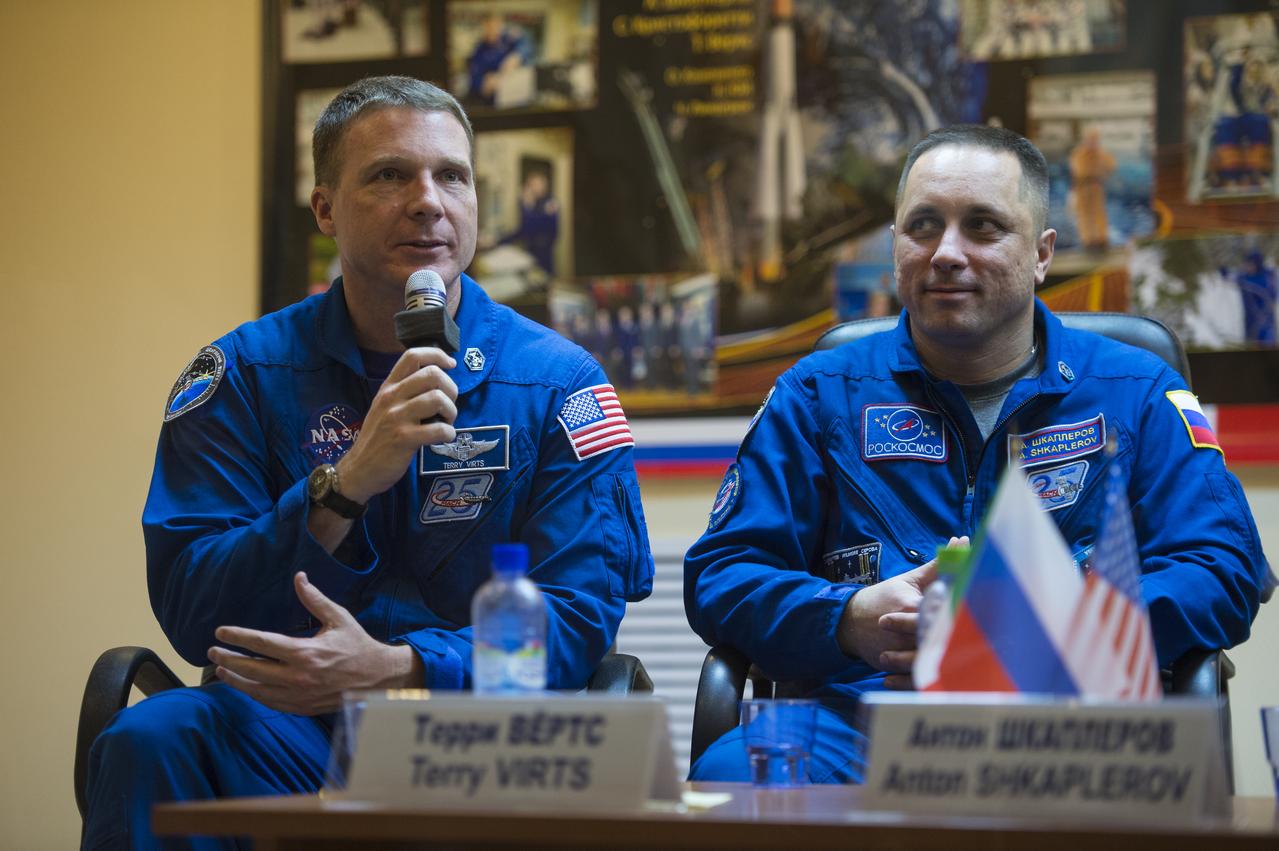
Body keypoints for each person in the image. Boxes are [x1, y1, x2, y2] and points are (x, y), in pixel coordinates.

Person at [82, 76, 653, 850]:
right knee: (149, 738)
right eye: (390, 174)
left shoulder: (559, 383)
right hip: (287, 730)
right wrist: (341, 485)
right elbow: (192, 609)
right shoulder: (243, 374)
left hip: (477, 737)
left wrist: (400, 667)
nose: (427, 200)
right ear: (324, 208)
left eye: (451, 175)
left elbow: (579, 611)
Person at [684, 125, 1269, 784]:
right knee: (728, 773)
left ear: (1042, 253)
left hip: (1073, 730)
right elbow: (722, 575)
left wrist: (1061, 627)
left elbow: (1221, 569)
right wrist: (845, 620)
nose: (945, 253)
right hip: (857, 726)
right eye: (922, 226)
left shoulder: (1136, 391)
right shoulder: (817, 394)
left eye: (983, 227)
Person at [466, 12, 532, 108]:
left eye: (495, 27)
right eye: (488, 28)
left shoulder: (510, 39)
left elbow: (527, 45)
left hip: (517, 96)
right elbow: (474, 79)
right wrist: (483, 85)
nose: (492, 32)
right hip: (494, 101)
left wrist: (517, 56)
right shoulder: (479, 50)